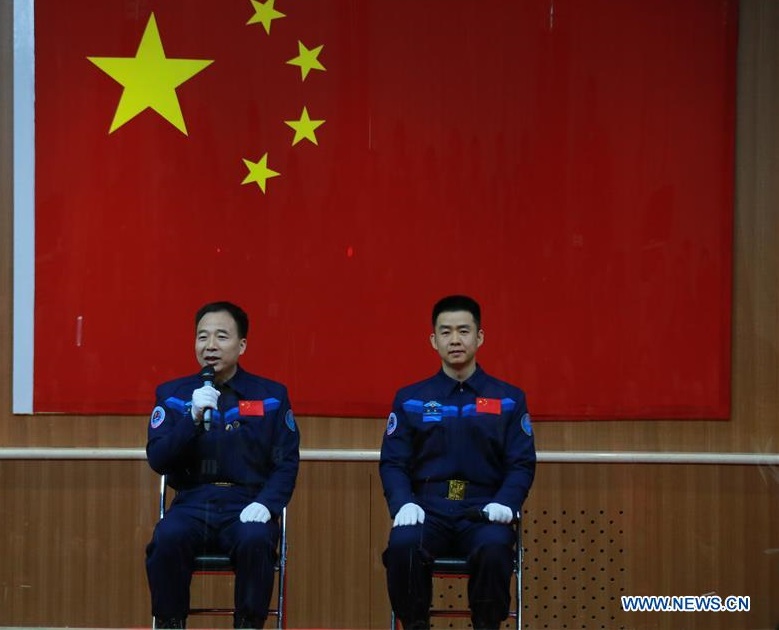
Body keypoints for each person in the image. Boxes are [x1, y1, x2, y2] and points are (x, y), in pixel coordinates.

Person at [380, 295, 536, 630]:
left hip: (483, 510)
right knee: (403, 547)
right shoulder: (411, 399)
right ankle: (415, 624)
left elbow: (521, 463)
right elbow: (393, 462)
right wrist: (403, 503)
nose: (455, 340)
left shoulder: (508, 398)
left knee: (495, 550)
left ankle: (486, 625)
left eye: (464, 331)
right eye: (446, 332)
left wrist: (506, 503)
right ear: (433, 340)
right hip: (428, 509)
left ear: (479, 337)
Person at [145, 301, 300, 629]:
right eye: (202, 337)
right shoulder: (173, 395)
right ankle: (170, 623)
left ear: (242, 345)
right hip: (191, 503)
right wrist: (190, 418)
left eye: (221, 337)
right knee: (166, 538)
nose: (210, 346)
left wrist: (267, 504)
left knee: (256, 540)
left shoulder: (269, 396)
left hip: (246, 503)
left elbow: (286, 462)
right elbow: (159, 460)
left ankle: (248, 624)